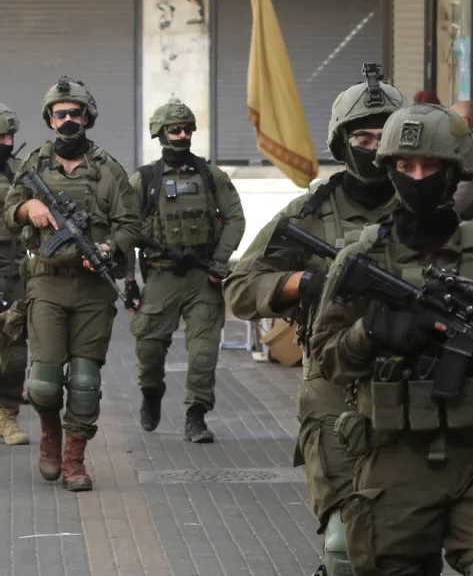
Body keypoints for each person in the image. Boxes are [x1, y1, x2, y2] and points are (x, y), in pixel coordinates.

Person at [310, 103, 473, 576]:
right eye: (405, 167)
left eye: (431, 167)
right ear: (389, 172)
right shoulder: (361, 260)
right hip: (393, 459)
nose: (418, 177)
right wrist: (372, 331)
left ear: (455, 174)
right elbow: (326, 359)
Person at [223, 68, 406, 576]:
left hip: (419, 385)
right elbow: (239, 289)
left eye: (383, 136)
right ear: (341, 142)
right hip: (335, 387)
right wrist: (301, 285)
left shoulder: (430, 215)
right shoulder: (307, 216)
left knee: (407, 544)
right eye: (361, 137)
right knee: (345, 546)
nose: (372, 148)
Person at [3, 76, 141, 492]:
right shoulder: (33, 167)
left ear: (87, 118)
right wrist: (28, 206)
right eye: (60, 114)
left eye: (75, 114)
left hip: (92, 290)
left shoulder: (109, 170)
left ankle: (74, 459)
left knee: (84, 382)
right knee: (43, 384)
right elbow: (8, 210)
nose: (68, 121)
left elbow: (131, 225)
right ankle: (49, 434)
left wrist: (108, 246)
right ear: (49, 120)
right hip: (45, 286)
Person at [124, 99, 245, 443]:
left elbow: (236, 219)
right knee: (148, 349)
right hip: (162, 276)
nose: (182, 135)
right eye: (174, 129)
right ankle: (151, 391)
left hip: (203, 276)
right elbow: (126, 230)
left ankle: (196, 415)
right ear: (160, 134)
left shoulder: (210, 175)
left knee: (204, 354)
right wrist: (129, 279)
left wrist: (220, 263)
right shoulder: (144, 180)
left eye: (187, 129)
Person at [0, 103, 29, 446]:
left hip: (16, 269)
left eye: (10, 136)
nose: (6, 142)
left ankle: (7, 414)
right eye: (1, 136)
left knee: (15, 350)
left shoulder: (23, 174)